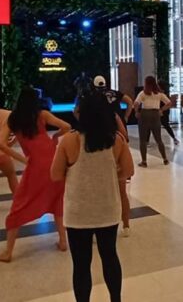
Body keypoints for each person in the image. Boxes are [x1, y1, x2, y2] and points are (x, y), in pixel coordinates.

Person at [51, 92, 135, 302]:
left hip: (78, 213)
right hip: (107, 209)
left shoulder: (69, 140)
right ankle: (116, 298)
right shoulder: (116, 140)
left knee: (81, 265)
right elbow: (128, 170)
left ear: (82, 113)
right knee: (110, 257)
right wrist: (107, 173)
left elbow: (55, 175)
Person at [0, 86, 71, 262]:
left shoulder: (13, 119)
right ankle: (63, 241)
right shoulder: (42, 114)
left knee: (19, 204)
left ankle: (8, 252)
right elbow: (67, 126)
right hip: (54, 160)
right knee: (57, 198)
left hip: (35, 164)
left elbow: (1, 145)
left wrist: (22, 159)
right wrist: (55, 137)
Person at [91, 75, 134, 236]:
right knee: (122, 191)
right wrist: (126, 116)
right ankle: (126, 226)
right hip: (116, 148)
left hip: (97, 151)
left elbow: (77, 112)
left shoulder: (93, 102)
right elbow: (130, 102)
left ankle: (98, 227)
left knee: (98, 194)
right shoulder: (115, 96)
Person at [133, 76, 173, 167]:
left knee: (143, 140)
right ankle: (165, 159)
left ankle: (144, 161)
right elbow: (169, 103)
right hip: (155, 115)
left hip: (144, 115)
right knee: (158, 139)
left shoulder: (143, 93)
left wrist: (136, 112)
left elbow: (136, 103)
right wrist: (161, 110)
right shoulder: (159, 94)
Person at [157, 79, 179, 145]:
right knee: (151, 125)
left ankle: (174, 138)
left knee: (166, 125)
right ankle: (147, 141)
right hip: (160, 111)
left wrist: (161, 110)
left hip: (164, 111)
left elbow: (169, 104)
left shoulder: (163, 94)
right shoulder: (159, 93)